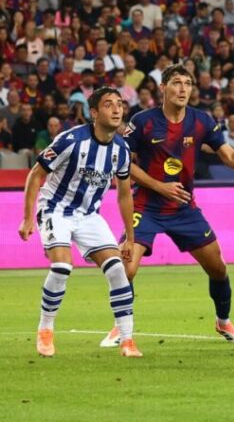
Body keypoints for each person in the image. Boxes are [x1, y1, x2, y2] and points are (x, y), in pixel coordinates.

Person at [99, 65, 234, 348]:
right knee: (126, 268)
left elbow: (229, 156)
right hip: (145, 206)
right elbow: (121, 162)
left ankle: (223, 321)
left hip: (184, 207)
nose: (183, 88)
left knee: (218, 268)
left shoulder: (201, 121)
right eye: (176, 82)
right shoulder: (143, 121)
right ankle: (120, 327)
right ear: (163, 88)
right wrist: (159, 186)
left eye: (187, 83)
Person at [18, 87, 141, 357]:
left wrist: (130, 238)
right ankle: (45, 329)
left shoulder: (121, 149)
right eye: (108, 104)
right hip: (55, 209)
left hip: (88, 215)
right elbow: (36, 174)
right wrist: (28, 218)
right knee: (62, 266)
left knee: (117, 269)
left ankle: (127, 340)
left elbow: (124, 194)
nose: (117, 109)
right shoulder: (71, 140)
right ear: (94, 112)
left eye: (119, 104)